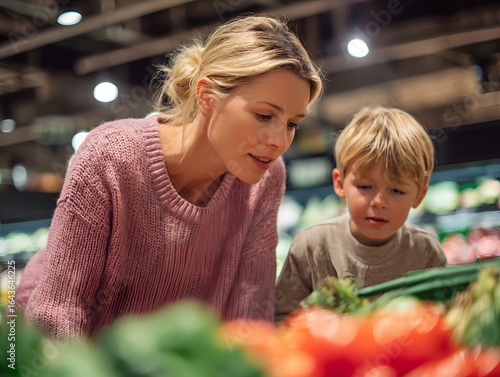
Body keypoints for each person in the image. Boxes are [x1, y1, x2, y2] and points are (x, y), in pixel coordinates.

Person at [14, 14, 324, 338]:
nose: (279, 140)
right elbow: (57, 314)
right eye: (264, 115)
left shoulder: (267, 178)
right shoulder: (110, 156)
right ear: (206, 97)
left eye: (292, 123)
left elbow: (250, 316)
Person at [275, 106, 447, 323]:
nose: (379, 202)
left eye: (397, 191)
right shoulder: (311, 246)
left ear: (419, 196)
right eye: (365, 186)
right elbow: (283, 320)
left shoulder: (426, 252)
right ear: (339, 184)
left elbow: (439, 322)